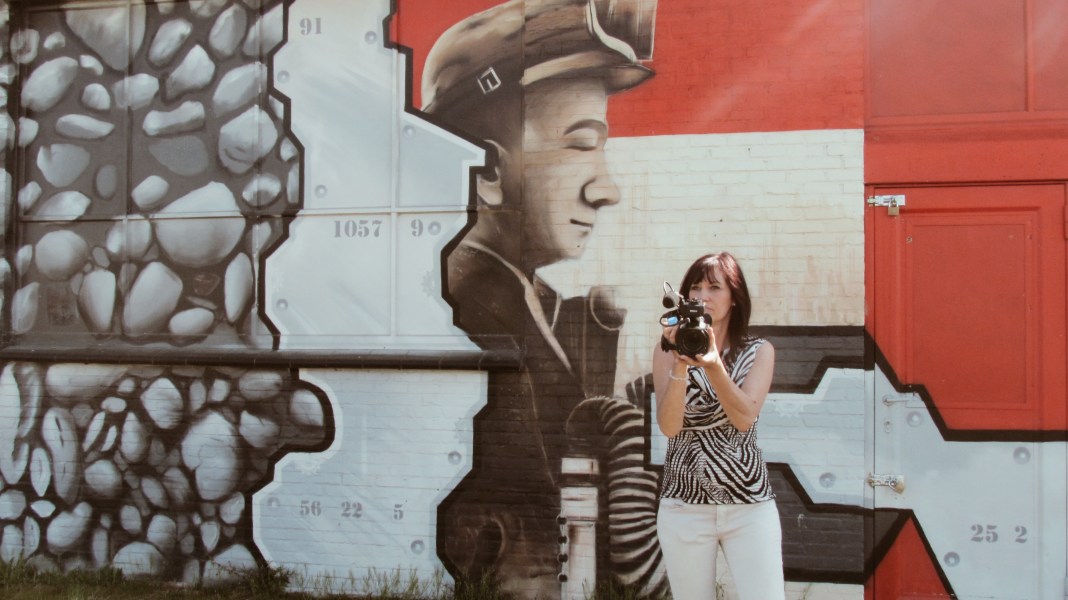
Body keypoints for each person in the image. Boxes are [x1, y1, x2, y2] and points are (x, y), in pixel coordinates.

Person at [419, 0, 657, 597]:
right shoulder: (469, 315)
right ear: (487, 172)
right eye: (580, 144)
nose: (607, 188)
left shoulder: (537, 307)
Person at [652, 252, 785, 600]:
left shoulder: (759, 352)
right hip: (684, 506)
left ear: (734, 297)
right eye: (695, 288)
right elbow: (669, 426)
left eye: (714, 287)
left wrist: (713, 366)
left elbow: (744, 417)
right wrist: (681, 363)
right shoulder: (667, 351)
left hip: (749, 505)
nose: (702, 296)